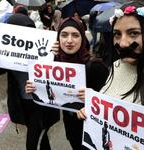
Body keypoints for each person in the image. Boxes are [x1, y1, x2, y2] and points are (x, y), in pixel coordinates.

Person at [79, 1, 144, 149]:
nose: (122, 43)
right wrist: (93, 113)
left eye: (133, 33)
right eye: (117, 34)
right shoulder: (116, 67)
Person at [25, 17, 109, 150]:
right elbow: (50, 98)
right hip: (71, 128)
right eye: (64, 35)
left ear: (82, 38)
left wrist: (93, 99)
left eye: (75, 35)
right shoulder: (55, 65)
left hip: (95, 133)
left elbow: (113, 101)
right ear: (58, 39)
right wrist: (35, 88)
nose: (69, 40)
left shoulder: (96, 67)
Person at [0, 7, 60, 150]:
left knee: (33, 141)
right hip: (23, 103)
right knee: (41, 139)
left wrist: (57, 53)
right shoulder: (8, 52)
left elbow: (62, 71)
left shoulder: (44, 47)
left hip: (42, 102)